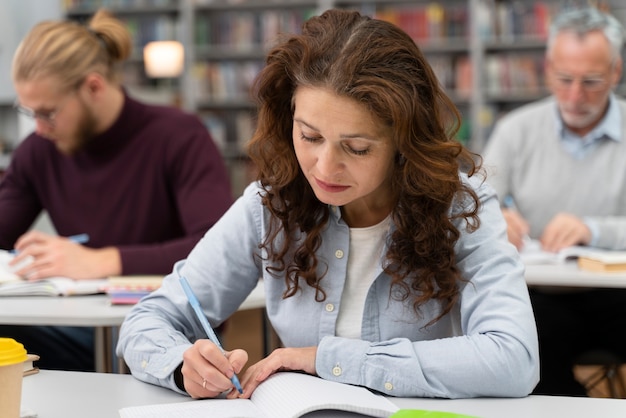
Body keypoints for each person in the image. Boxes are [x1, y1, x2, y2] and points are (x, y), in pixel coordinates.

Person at [117, 9, 539, 399]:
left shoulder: (460, 206)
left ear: (403, 143)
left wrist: (325, 360)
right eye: (310, 136)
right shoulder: (268, 207)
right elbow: (147, 320)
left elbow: (514, 359)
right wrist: (182, 365)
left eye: (356, 148)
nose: (324, 167)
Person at [0, 9, 232, 371]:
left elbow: (216, 250)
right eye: (31, 114)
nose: (40, 128)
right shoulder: (40, 151)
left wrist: (100, 261)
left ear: (93, 87)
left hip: (168, 334)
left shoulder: (180, 137)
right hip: (79, 325)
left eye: (48, 113)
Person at [482, 7, 626, 396]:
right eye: (564, 79)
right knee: (531, 352)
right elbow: (475, 204)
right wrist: (497, 218)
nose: (575, 96)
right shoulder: (516, 130)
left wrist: (593, 230)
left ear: (616, 71)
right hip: (540, 294)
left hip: (618, 293)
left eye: (592, 81)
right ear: (547, 69)